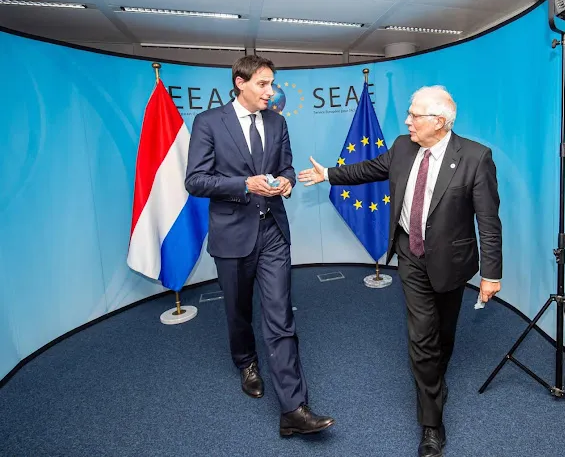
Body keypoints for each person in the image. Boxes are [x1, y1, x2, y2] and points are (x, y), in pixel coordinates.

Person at [298, 86, 503, 457]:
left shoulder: (475, 157)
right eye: (409, 114)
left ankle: (434, 379)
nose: (407, 121)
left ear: (439, 122)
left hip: (452, 262)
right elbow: (369, 168)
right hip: (410, 254)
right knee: (422, 336)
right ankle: (431, 424)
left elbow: (488, 221)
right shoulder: (403, 147)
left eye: (415, 115)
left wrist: (491, 274)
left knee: (443, 334)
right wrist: (328, 173)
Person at [185, 55, 334, 437]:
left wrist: (287, 182)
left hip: (272, 233)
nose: (271, 91)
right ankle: (246, 362)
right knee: (238, 312)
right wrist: (242, 185)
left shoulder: (277, 122)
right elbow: (195, 181)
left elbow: (286, 167)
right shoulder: (208, 123)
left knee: (280, 316)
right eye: (263, 84)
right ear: (240, 82)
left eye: (272, 83)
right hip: (232, 235)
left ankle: (293, 409)